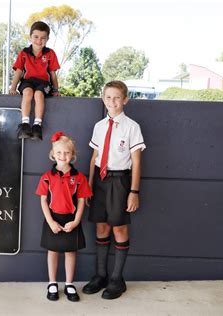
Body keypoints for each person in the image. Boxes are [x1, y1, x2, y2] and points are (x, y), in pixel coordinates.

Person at [83, 80, 146, 299]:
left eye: (117, 97)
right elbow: (94, 158)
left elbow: (137, 162)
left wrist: (134, 191)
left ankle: (117, 280)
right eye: (108, 97)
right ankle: (101, 275)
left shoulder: (132, 127)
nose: (112, 101)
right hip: (100, 181)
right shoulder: (99, 126)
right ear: (103, 99)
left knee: (119, 228)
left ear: (125, 100)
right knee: (101, 228)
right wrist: (89, 185)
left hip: (120, 182)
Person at [36, 131, 92, 302]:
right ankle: (52, 283)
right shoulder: (47, 177)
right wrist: (50, 221)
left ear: (72, 155)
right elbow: (43, 201)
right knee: (52, 251)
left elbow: (82, 201)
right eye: (59, 152)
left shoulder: (80, 178)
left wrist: (76, 221)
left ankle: (69, 283)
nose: (63, 156)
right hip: (52, 219)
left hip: (71, 220)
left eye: (67, 153)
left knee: (70, 252)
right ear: (53, 154)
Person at [10, 21, 60, 141]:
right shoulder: (24, 53)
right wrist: (12, 87)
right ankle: (25, 124)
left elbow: (53, 74)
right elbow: (18, 71)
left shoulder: (50, 53)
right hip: (28, 81)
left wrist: (56, 89)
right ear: (30, 37)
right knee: (27, 93)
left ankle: (37, 125)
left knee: (38, 94)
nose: (39, 40)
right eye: (36, 37)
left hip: (44, 83)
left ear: (47, 39)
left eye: (43, 38)